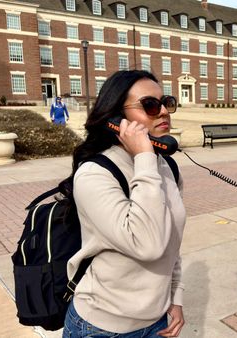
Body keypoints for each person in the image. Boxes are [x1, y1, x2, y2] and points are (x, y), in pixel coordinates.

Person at [63, 70, 186, 337]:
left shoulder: (165, 166)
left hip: (158, 320)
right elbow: (148, 245)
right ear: (117, 119)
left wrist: (175, 297)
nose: (164, 111)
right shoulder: (95, 173)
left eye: (167, 102)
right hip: (102, 327)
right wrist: (143, 157)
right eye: (150, 105)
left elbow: (171, 242)